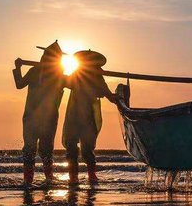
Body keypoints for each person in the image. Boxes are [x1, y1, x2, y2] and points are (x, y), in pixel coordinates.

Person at [13, 41, 66, 184]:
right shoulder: (40, 72)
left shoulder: (58, 75)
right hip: (33, 117)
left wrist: (89, 73)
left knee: (44, 149)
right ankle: (32, 180)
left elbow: (76, 83)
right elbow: (19, 84)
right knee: (34, 149)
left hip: (45, 118)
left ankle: (45, 180)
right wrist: (17, 68)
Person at [62, 49, 115, 185]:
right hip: (73, 116)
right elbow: (64, 81)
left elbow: (109, 95)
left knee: (87, 150)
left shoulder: (98, 78)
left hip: (88, 117)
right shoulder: (77, 74)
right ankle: (73, 177)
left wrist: (119, 98)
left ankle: (92, 177)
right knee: (72, 148)